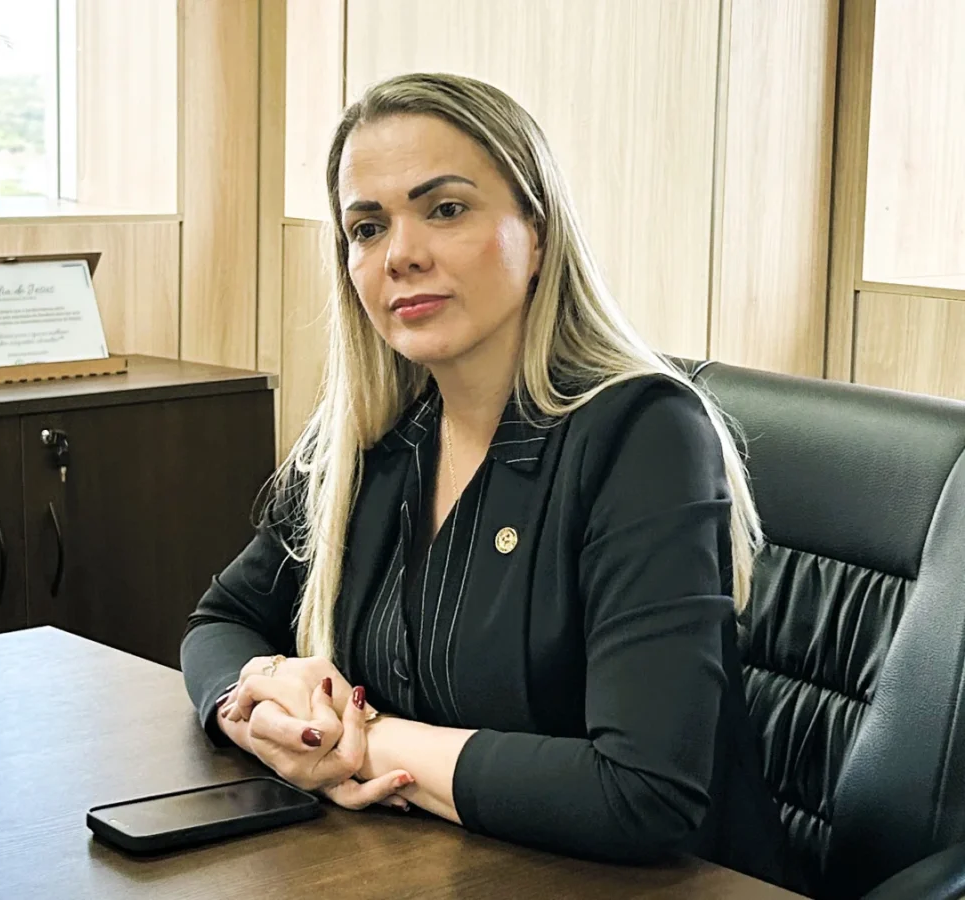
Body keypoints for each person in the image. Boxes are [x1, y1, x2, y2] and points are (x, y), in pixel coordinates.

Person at [181, 72, 791, 887]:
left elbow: (642, 794)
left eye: (446, 209)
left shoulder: (642, 434)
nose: (401, 254)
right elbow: (221, 619)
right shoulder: (370, 435)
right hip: (435, 868)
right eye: (367, 227)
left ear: (535, 233)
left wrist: (365, 739)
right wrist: (258, 696)